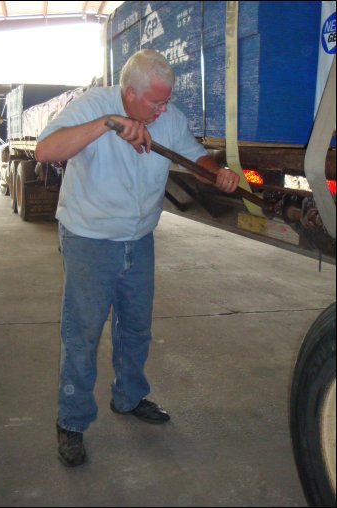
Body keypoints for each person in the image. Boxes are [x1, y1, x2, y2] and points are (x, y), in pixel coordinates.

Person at [35, 49, 239, 467]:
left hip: (139, 238)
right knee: (83, 334)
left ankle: (128, 398)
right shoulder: (94, 106)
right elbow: (45, 151)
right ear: (129, 93)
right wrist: (108, 125)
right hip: (90, 238)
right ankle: (72, 422)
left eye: (167, 101)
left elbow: (193, 154)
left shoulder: (168, 117)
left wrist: (215, 171)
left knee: (135, 329)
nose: (164, 109)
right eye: (156, 102)